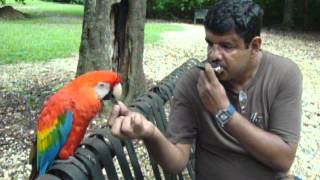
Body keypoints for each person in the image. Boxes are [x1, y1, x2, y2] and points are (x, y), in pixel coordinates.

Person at [108, 0, 302, 179]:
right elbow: (175, 163)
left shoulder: (284, 74)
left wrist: (224, 112)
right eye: (210, 44)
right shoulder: (194, 82)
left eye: (226, 46)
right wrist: (151, 134)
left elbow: (283, 159)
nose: (213, 55)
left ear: (255, 46)